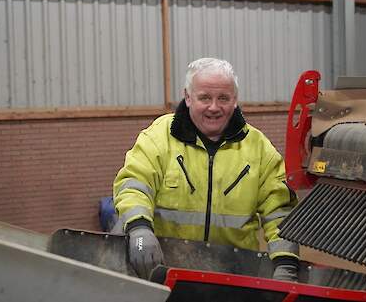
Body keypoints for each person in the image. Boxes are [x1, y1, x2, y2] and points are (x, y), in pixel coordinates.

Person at [113, 57, 300, 282]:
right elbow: (134, 186)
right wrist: (139, 232)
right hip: (164, 272)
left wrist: (286, 264)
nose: (214, 107)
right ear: (188, 97)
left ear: (235, 100)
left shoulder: (259, 149)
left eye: (223, 98)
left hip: (233, 279)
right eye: (205, 98)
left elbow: (279, 212)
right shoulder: (158, 137)